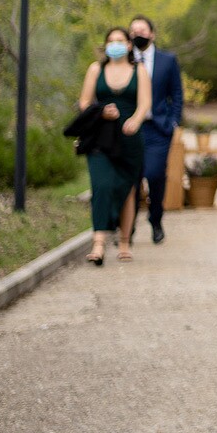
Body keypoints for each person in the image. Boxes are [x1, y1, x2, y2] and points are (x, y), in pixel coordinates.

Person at [77, 27, 151, 265]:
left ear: (129, 45)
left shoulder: (139, 71)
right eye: (111, 41)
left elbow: (144, 104)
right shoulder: (95, 69)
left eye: (120, 40)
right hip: (101, 138)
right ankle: (98, 243)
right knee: (101, 185)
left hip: (129, 140)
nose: (115, 44)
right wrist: (101, 113)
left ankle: (124, 241)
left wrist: (135, 121)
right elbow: (85, 103)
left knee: (127, 189)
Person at [128, 15, 183, 245]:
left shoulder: (167, 60)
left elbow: (177, 94)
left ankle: (155, 218)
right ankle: (127, 227)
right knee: (131, 177)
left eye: (142, 30)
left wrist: (173, 122)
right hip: (131, 127)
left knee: (154, 174)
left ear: (152, 34)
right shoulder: (125, 60)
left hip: (158, 129)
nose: (137, 34)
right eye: (133, 31)